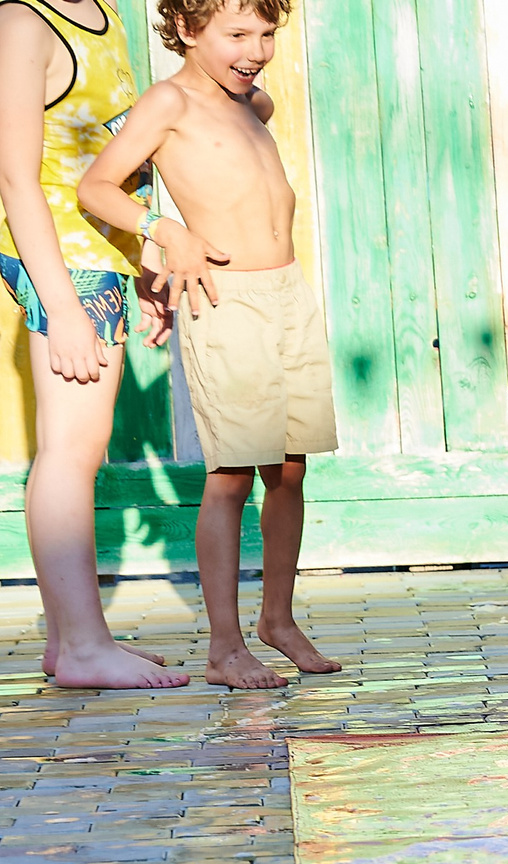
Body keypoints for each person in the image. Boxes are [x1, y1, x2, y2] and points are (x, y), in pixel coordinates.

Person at [80, 0, 337, 689]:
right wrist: (166, 234)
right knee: (230, 475)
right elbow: (96, 186)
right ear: (188, 31)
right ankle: (225, 647)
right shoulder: (168, 102)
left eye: (267, 33)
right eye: (236, 35)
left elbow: (257, 129)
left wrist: (250, 90)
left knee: (290, 468)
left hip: (287, 294)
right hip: (226, 303)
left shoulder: (249, 104)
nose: (255, 48)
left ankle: (276, 619)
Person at [0, 0, 187, 688]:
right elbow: (16, 176)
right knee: (70, 449)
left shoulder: (102, 14)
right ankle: (81, 646)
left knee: (82, 447)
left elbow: (109, 154)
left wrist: (138, 262)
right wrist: (63, 307)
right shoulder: (22, 23)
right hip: (64, 266)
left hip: (96, 258)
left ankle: (72, 639)